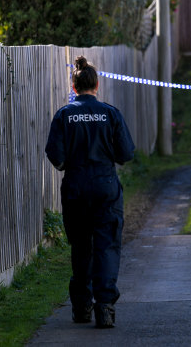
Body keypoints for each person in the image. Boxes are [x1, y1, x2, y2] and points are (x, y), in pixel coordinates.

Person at [45, 56, 135, 328]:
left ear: (74, 85)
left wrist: (69, 164)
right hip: (105, 187)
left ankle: (82, 306)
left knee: (81, 246)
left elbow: (55, 155)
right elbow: (126, 153)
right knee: (106, 246)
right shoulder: (110, 113)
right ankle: (105, 306)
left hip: (76, 187)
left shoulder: (64, 115)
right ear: (96, 84)